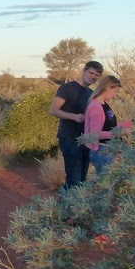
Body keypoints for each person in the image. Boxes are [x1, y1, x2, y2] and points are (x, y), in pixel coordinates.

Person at [49, 60, 103, 192]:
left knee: (82, 180)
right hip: (69, 138)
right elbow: (53, 110)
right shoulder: (67, 88)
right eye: (91, 73)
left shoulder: (90, 93)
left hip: (85, 140)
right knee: (74, 179)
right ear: (84, 70)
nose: (93, 77)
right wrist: (74, 116)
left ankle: (68, 207)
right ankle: (63, 208)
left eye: (97, 75)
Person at [84, 75, 133, 176]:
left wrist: (132, 122)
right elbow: (95, 134)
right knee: (105, 185)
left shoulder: (104, 105)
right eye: (115, 91)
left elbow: (110, 125)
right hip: (101, 151)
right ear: (108, 88)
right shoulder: (95, 107)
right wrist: (119, 133)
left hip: (107, 149)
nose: (115, 95)